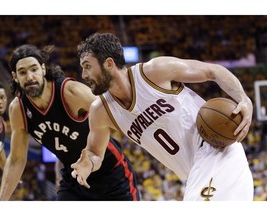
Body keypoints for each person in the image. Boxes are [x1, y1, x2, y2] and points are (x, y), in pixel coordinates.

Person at [71, 32, 254, 201]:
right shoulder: (100, 111)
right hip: (194, 172)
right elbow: (95, 153)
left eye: (87, 66)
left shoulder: (153, 72)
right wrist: (89, 164)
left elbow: (212, 71)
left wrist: (244, 99)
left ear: (109, 63)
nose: (84, 75)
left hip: (216, 150)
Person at [0, 44, 140, 201]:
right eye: (22, 72)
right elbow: (17, 159)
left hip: (111, 173)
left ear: (43, 69)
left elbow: (118, 118)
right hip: (74, 177)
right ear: (15, 76)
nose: (30, 77)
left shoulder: (71, 92)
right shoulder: (18, 109)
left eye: (34, 69)